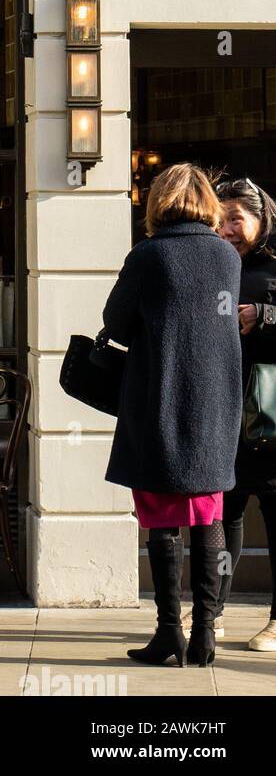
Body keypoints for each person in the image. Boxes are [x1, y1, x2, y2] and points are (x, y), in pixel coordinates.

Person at [103, 164, 242, 668]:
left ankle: (169, 634)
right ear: (207, 203)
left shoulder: (149, 255)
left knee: (162, 519)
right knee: (208, 515)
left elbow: (114, 321)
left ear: (158, 203)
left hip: (158, 399)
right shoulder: (227, 256)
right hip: (215, 405)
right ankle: (205, 634)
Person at [214, 177, 276, 651]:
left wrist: (265, 314)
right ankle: (211, 609)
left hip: (272, 417)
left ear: (261, 219)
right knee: (222, 514)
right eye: (220, 217)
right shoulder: (213, 264)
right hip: (222, 413)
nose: (227, 227)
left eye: (237, 218)